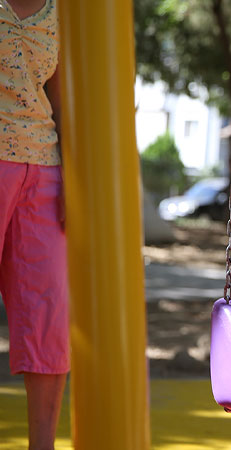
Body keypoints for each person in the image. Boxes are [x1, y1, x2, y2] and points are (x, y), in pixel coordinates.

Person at [0, 1, 69, 449]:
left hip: (44, 169)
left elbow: (63, 99)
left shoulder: (62, 10)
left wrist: (75, 178)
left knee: (49, 321)